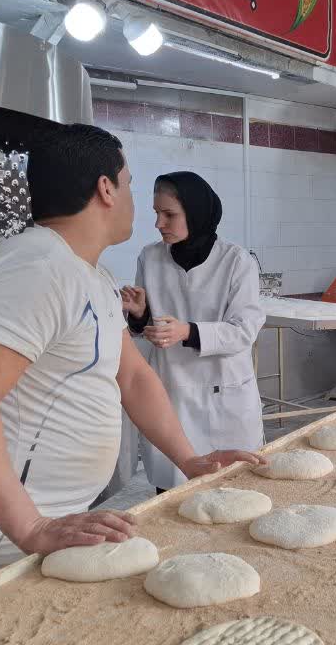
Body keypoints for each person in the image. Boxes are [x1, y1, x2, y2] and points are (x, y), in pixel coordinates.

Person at [0, 125, 263, 596]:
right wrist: (31, 527)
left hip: (51, 522)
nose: (142, 209)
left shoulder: (87, 273)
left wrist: (189, 460)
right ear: (106, 188)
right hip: (1, 535)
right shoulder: (36, 268)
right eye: (129, 184)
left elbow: (133, 376)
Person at [121, 171, 265, 493]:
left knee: (235, 493)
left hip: (224, 396)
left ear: (196, 212)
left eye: (169, 214)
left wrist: (188, 331)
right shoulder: (150, 257)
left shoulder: (236, 261)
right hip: (172, 394)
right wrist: (140, 314)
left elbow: (244, 331)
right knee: (173, 495)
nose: (159, 223)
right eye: (156, 213)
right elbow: (147, 329)